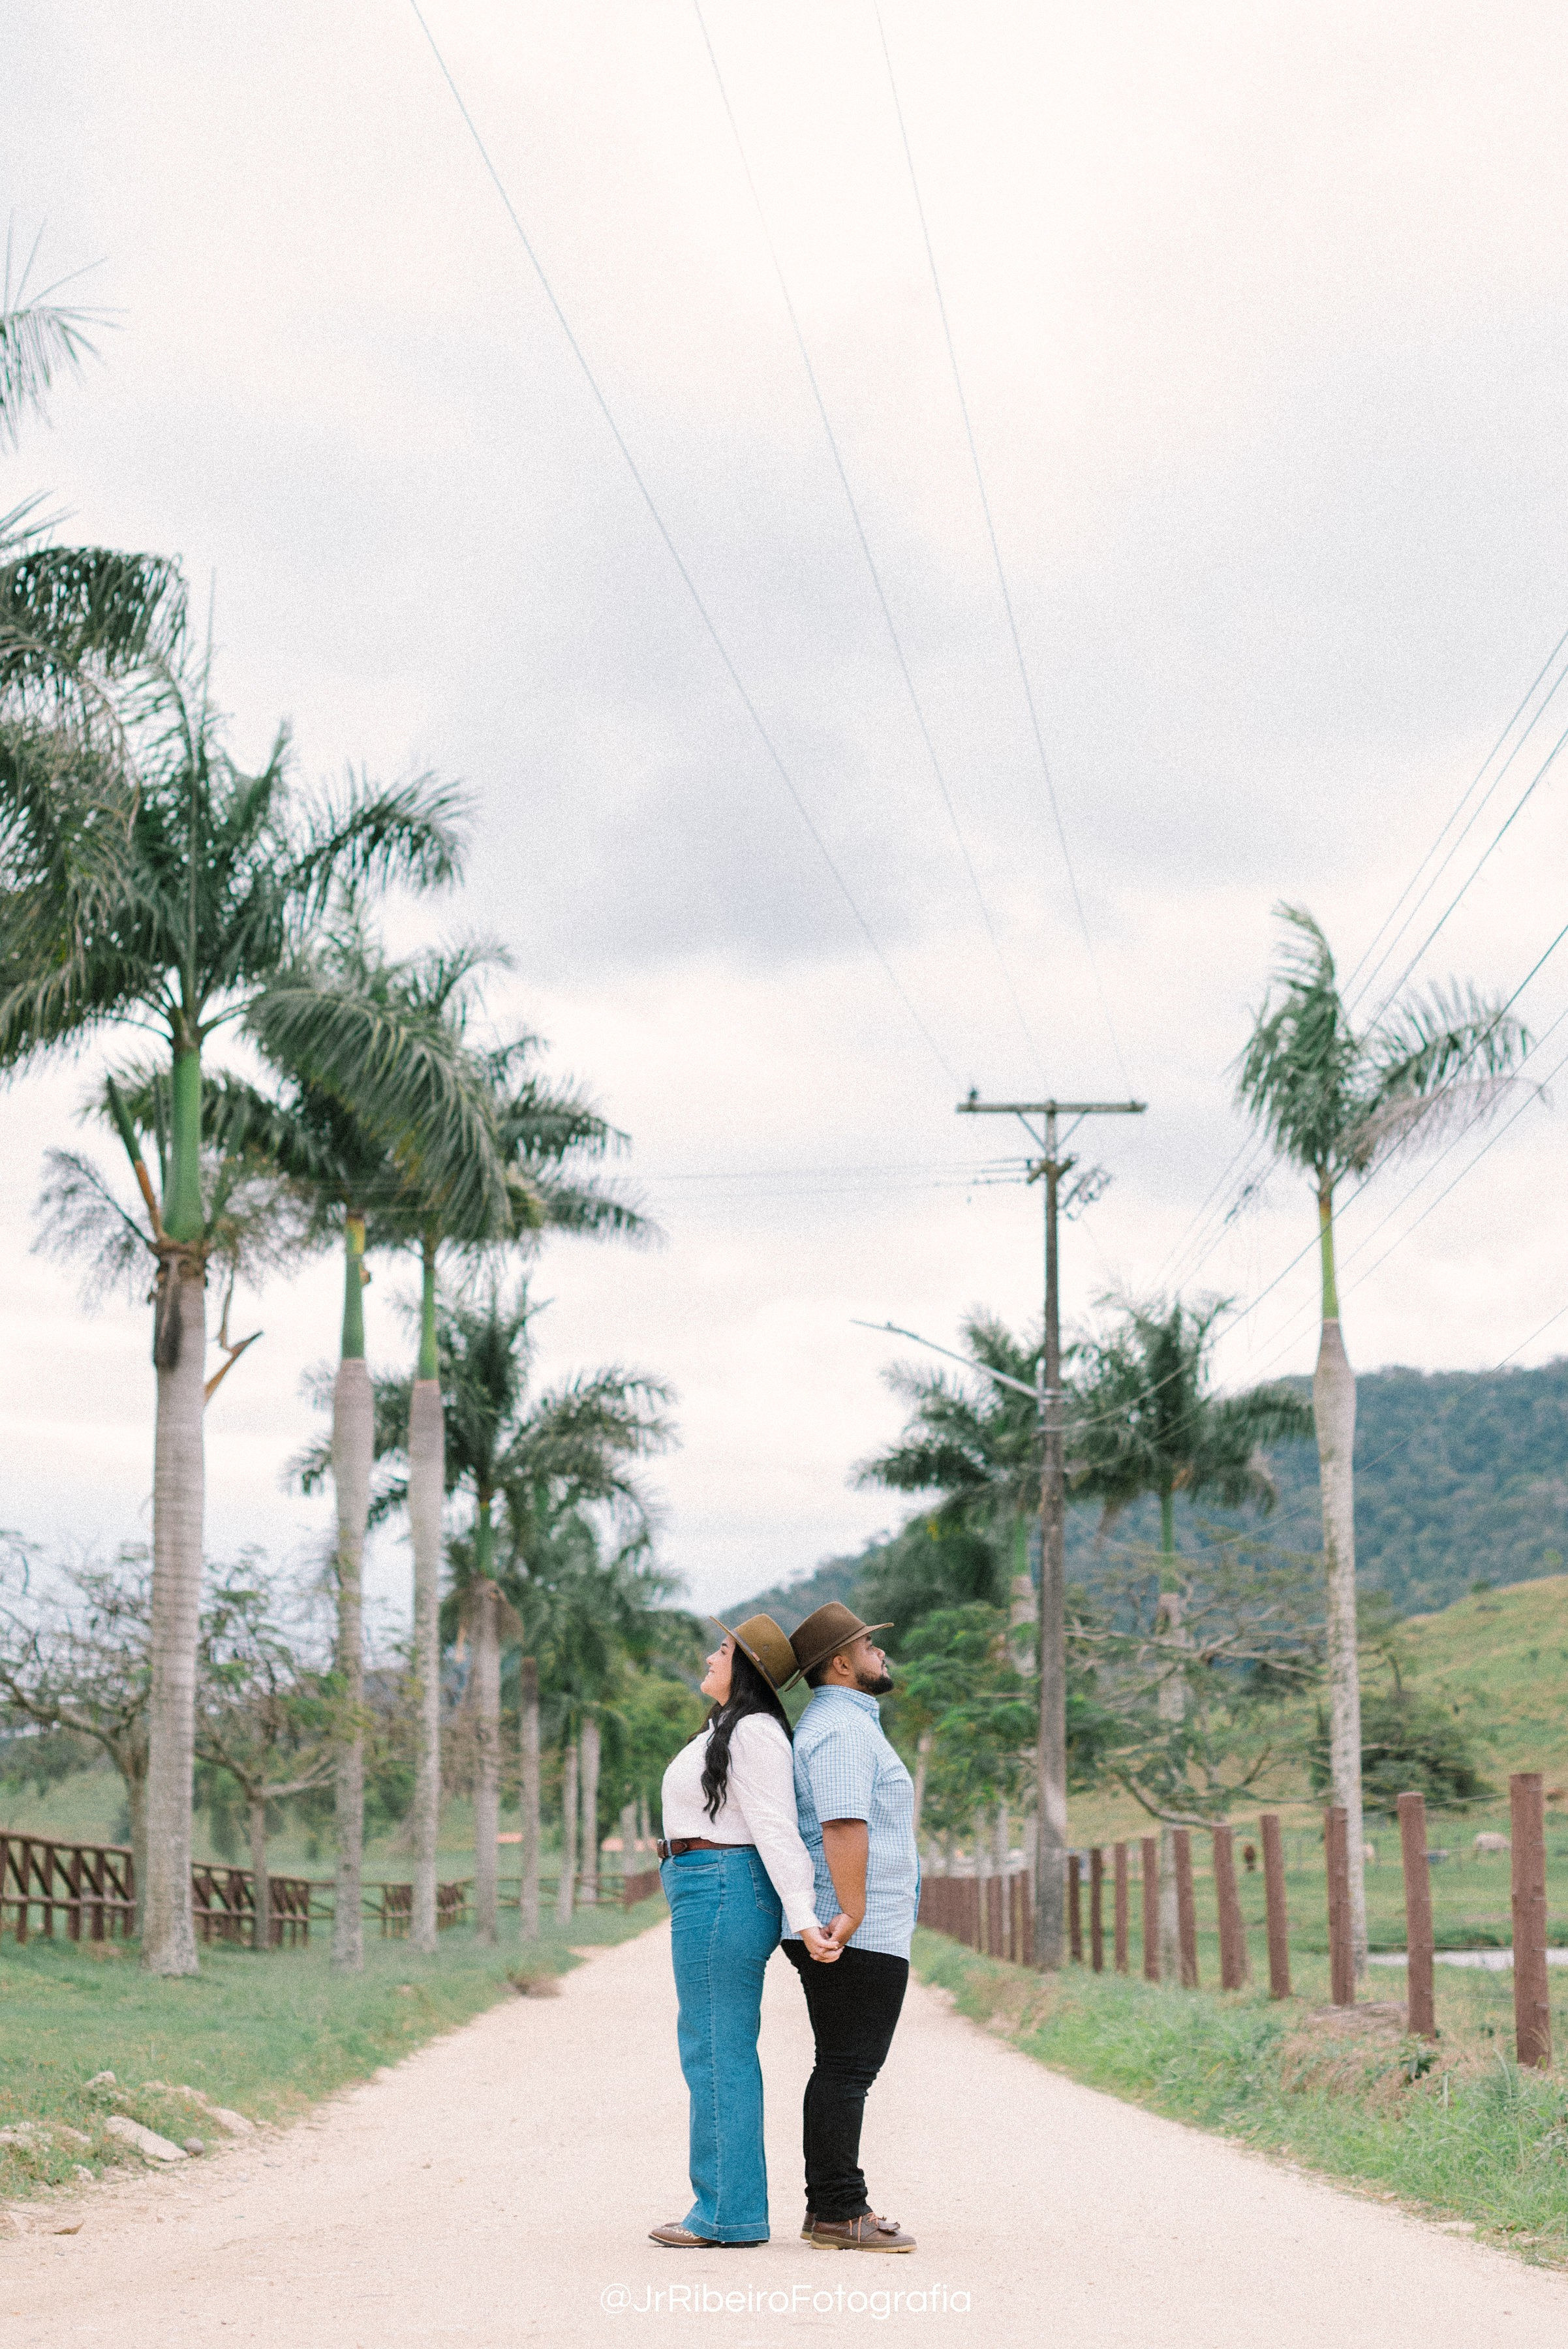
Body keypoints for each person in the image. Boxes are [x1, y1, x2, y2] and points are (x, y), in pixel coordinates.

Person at [649, 1615, 840, 2249]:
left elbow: (775, 1826)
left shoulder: (755, 1732)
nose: (711, 1655)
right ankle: (733, 2209)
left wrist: (806, 1915)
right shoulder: (730, 1728)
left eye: (724, 1650)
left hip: (723, 1886)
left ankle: (726, 2214)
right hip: (710, 1885)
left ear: (750, 1669)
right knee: (717, 2045)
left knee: (715, 2047)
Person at [782, 1602, 919, 2254]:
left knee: (844, 2064)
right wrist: (855, 1910)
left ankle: (830, 2209)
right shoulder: (840, 1728)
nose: (880, 1653)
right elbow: (842, 1823)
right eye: (870, 1644)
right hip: (854, 1924)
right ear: (841, 1661)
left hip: (857, 1921)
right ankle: (839, 2209)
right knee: (846, 2066)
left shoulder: (848, 1723)